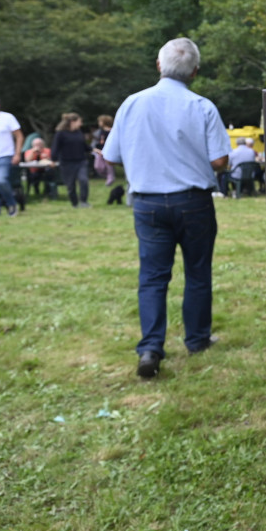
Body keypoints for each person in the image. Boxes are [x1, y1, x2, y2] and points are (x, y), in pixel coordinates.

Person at [102, 38, 231, 379]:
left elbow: (110, 155)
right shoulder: (202, 106)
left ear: (159, 66)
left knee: (153, 278)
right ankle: (197, 340)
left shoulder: (131, 103)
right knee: (198, 273)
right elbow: (219, 160)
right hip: (193, 201)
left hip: (148, 202)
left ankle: (150, 348)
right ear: (195, 71)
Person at [52, 112, 92, 208]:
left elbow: (84, 146)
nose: (81, 124)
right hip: (67, 163)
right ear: (72, 122)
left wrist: (93, 150)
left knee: (83, 180)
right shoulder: (60, 134)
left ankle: (83, 201)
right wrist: (53, 159)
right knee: (71, 185)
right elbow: (55, 148)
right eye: (79, 121)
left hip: (81, 161)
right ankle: (74, 203)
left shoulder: (79, 133)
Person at [91, 115, 116, 186]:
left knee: (109, 165)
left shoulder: (112, 131)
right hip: (100, 150)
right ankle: (107, 176)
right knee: (97, 166)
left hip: (108, 151)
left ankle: (110, 177)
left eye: (100, 121)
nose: (99, 123)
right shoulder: (101, 131)